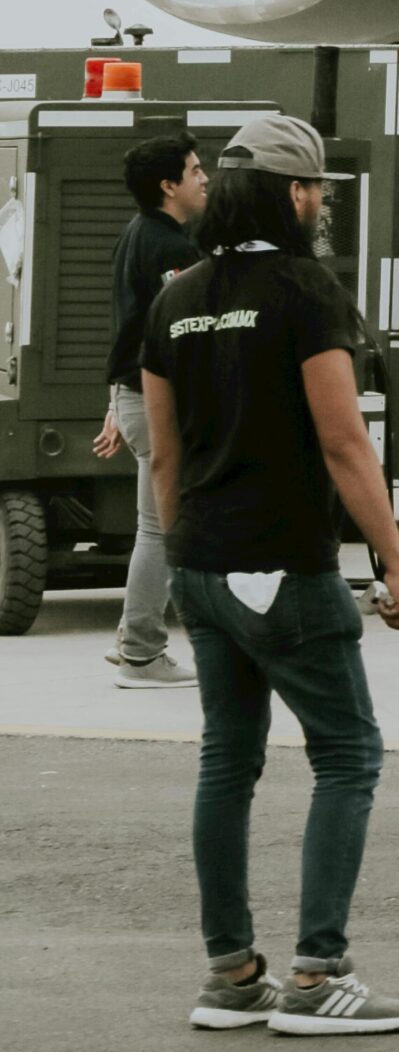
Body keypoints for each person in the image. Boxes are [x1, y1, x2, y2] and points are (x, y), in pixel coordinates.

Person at [140, 114, 399, 1035]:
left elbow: (163, 455)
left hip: (202, 567)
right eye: (319, 193)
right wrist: (396, 564)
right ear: (294, 194)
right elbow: (345, 439)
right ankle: (317, 976)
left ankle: (231, 975)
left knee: (228, 762)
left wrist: (193, 556)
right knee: (348, 755)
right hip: (285, 569)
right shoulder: (308, 290)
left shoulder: (174, 297)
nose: (324, 206)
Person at [93, 133, 208, 687]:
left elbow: (128, 328)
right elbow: (181, 340)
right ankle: (142, 653)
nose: (205, 178)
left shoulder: (136, 236)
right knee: (163, 532)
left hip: (133, 397)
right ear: (169, 186)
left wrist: (118, 403)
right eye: (195, 170)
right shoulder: (172, 251)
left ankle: (131, 641)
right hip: (154, 403)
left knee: (152, 529)